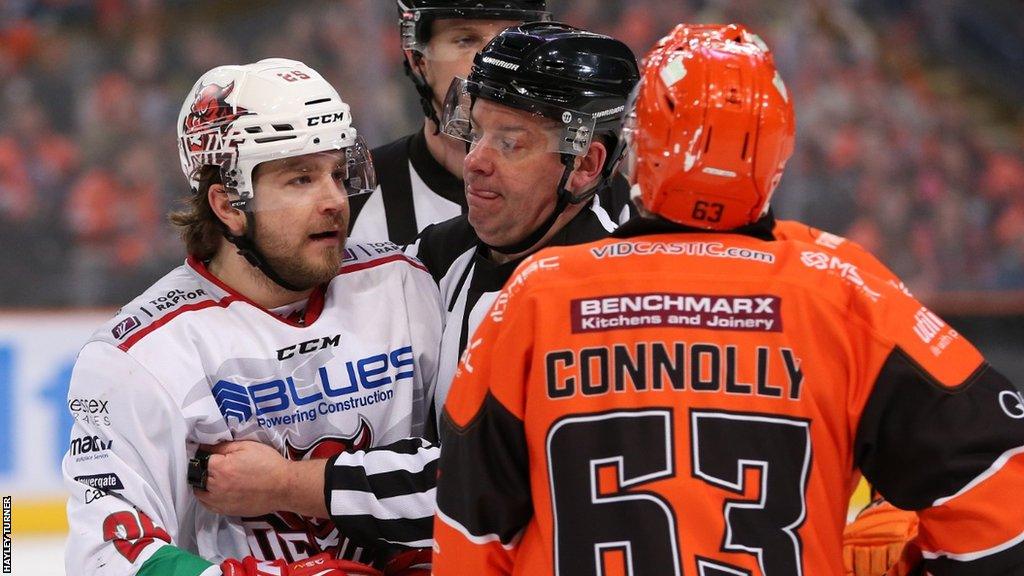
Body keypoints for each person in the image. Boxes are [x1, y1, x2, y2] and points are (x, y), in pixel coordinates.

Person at [431, 23, 1024, 576]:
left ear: (636, 150)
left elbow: (469, 533)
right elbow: (1002, 511)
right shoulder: (843, 287)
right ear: (778, 154)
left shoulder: (536, 293)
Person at [191, 22, 640, 558]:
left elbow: (483, 490)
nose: (474, 159)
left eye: (510, 142)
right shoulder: (445, 258)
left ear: (585, 164)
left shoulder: (611, 306)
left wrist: (289, 483)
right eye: (475, 130)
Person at [62, 58, 442, 576]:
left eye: (336, 173)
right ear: (228, 204)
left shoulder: (406, 286)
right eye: (300, 179)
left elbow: (488, 476)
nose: (335, 200)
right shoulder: (140, 354)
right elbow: (107, 556)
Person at [349, 1, 635, 245]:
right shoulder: (355, 197)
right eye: (465, 39)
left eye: (511, 36)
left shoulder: (607, 198)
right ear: (417, 60)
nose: (493, 56)